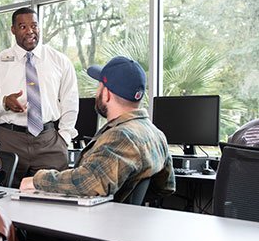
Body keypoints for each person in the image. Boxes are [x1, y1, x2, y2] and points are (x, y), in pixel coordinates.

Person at [20, 56, 175, 203]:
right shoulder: (156, 134)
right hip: (120, 223)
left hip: (98, 224)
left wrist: (37, 180)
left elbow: (89, 182)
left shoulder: (120, 136)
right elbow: (166, 187)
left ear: (106, 94)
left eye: (99, 87)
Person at [0, 7, 79, 187]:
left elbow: (71, 101)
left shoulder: (60, 61)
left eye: (34, 26)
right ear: (13, 30)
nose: (30, 31)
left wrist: (64, 137)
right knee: (2, 196)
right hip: (8, 140)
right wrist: (3, 102)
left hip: (49, 142)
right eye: (22, 26)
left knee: (52, 200)